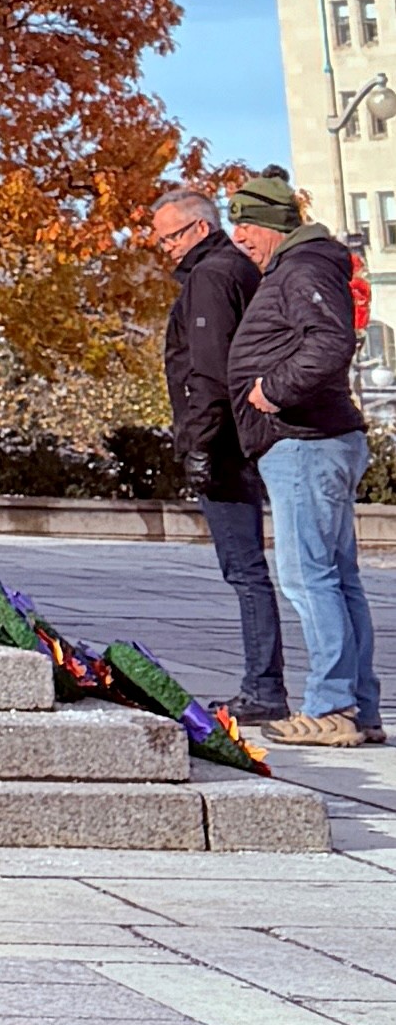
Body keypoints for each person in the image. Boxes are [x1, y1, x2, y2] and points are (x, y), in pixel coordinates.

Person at [223, 170, 382, 748]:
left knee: (309, 577)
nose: (239, 236)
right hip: (312, 440)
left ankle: (332, 707)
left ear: (273, 226)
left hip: (305, 440)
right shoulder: (303, 265)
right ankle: (358, 709)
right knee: (336, 579)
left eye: (246, 225)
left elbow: (329, 343)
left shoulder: (305, 266)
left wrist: (272, 390)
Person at [148, 177, 289, 725]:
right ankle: (264, 683)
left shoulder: (211, 277)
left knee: (245, 570)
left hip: (227, 441)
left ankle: (263, 688)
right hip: (243, 434)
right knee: (253, 569)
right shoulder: (236, 270)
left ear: (199, 227)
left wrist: (199, 447)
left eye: (169, 238)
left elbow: (207, 370)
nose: (166, 250)